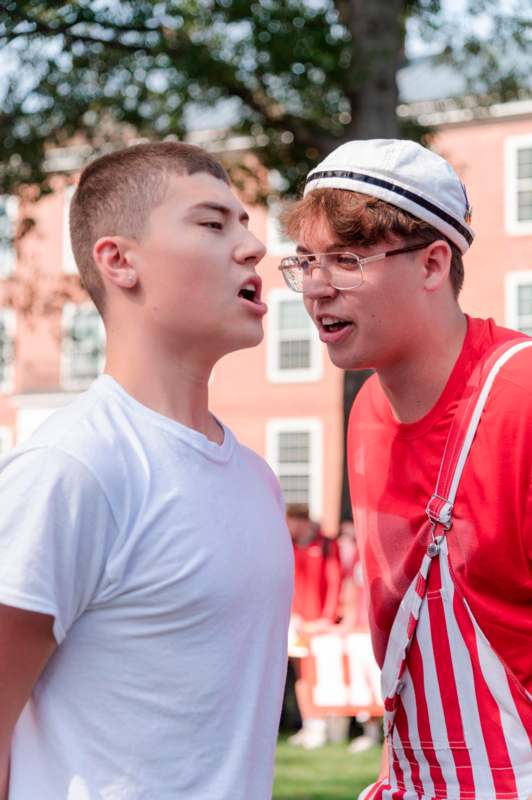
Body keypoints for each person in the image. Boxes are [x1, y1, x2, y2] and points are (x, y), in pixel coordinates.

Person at [0, 141, 294, 800]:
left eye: (246, 224)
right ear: (119, 261)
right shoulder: (71, 470)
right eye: (214, 224)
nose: (252, 247)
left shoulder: (256, 481)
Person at [280, 139, 532, 798]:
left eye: (346, 259)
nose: (315, 285)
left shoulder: (521, 397)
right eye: (306, 261)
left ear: (433, 263)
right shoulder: (367, 413)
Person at [286, 503, 342, 748]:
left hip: (321, 624)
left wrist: (327, 618)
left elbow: (335, 581)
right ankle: (310, 722)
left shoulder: (327, 545)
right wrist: (293, 615)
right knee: (301, 673)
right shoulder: (288, 546)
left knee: (322, 672)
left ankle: (324, 724)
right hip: (298, 623)